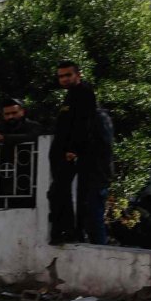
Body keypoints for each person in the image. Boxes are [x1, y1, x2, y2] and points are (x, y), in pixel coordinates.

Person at [50, 60, 113, 245]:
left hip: (82, 159)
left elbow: (83, 124)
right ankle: (69, 232)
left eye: (68, 75)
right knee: (62, 194)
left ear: (78, 75)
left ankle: (80, 237)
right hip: (71, 157)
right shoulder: (71, 96)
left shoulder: (84, 93)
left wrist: (73, 148)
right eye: (61, 76)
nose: (64, 79)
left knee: (90, 207)